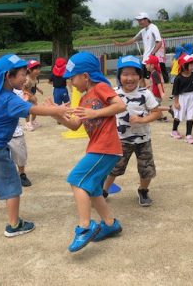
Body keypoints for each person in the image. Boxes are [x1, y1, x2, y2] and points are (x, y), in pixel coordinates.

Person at [0, 54, 71, 237]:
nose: (26, 78)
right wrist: (58, 109)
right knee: (11, 183)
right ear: (8, 76)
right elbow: (34, 110)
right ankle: (14, 225)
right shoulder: (10, 100)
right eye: (22, 74)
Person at [57, 51, 125, 252]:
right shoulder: (83, 98)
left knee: (76, 179)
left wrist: (95, 112)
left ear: (85, 76)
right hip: (99, 148)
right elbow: (75, 125)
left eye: (72, 78)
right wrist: (58, 113)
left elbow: (120, 105)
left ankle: (85, 227)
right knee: (94, 189)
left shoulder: (101, 88)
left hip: (106, 147)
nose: (71, 83)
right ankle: (110, 224)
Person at [103, 55, 161, 207]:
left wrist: (142, 120)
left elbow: (157, 112)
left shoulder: (145, 94)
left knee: (146, 169)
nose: (130, 78)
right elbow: (103, 111)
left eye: (134, 74)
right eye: (125, 74)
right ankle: (103, 191)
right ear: (119, 76)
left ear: (140, 76)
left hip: (143, 140)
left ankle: (143, 190)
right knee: (114, 168)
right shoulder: (112, 93)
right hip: (120, 139)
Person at [113, 12, 162, 87]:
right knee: (141, 78)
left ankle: (157, 96)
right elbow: (133, 40)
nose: (139, 22)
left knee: (154, 79)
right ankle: (144, 93)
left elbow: (159, 42)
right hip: (145, 60)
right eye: (138, 20)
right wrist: (121, 44)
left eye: (140, 20)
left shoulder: (153, 27)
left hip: (151, 59)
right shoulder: (143, 31)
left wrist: (152, 55)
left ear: (146, 19)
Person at [171, 54, 193, 144]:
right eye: (191, 64)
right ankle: (174, 130)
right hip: (182, 98)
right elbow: (175, 92)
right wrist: (176, 102)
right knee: (178, 115)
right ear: (184, 66)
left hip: (192, 97)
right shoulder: (178, 78)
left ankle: (188, 135)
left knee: (190, 116)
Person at [9, 88, 32, 187]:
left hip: (15, 131)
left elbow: (25, 112)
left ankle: (21, 174)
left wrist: (26, 101)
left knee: (21, 154)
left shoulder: (18, 92)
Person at [145, 55, 167, 122]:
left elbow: (159, 84)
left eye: (147, 64)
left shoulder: (154, 73)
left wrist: (161, 93)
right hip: (155, 93)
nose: (146, 65)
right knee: (157, 105)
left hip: (156, 94)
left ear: (152, 66)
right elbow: (154, 83)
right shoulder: (153, 73)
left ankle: (169, 109)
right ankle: (161, 117)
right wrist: (148, 86)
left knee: (154, 107)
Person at [23, 59, 43, 131]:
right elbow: (23, 88)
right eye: (36, 69)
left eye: (39, 69)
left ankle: (33, 121)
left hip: (31, 94)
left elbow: (34, 85)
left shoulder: (34, 77)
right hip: (26, 96)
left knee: (35, 107)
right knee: (28, 109)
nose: (38, 71)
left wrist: (39, 89)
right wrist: (29, 95)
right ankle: (27, 123)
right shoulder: (27, 79)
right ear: (30, 70)